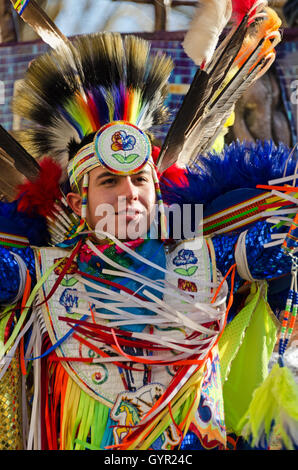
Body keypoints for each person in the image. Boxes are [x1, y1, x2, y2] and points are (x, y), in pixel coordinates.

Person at [0, 0, 297, 451]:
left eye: (140, 179)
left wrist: (279, 243)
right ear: (80, 202)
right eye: (109, 181)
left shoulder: (206, 260)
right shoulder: (40, 273)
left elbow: (273, 244)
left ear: (157, 191)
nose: (129, 193)